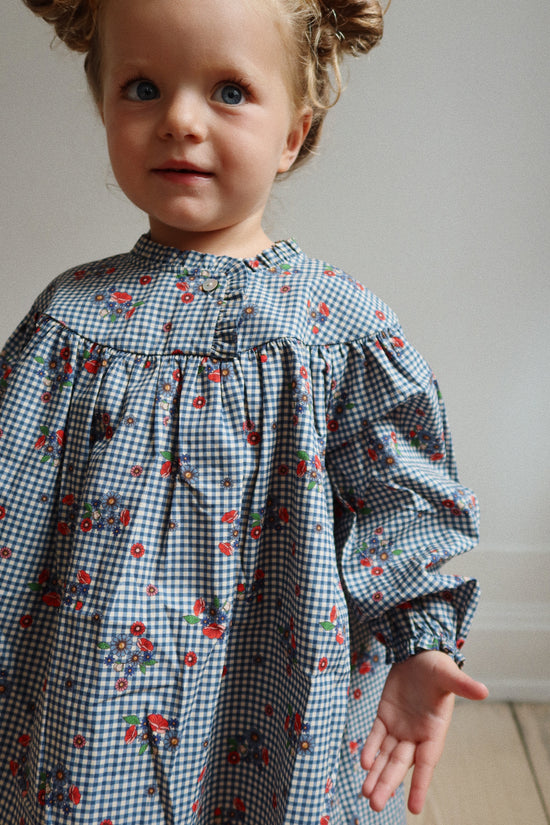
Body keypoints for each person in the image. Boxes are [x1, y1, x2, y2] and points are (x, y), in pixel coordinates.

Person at [0, 0, 488, 823]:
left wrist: (420, 641)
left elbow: (402, 507)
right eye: (143, 88)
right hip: (96, 704)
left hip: (273, 697)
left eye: (229, 91)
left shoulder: (337, 330)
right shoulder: (71, 322)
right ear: (104, 106)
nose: (180, 121)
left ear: (294, 134)